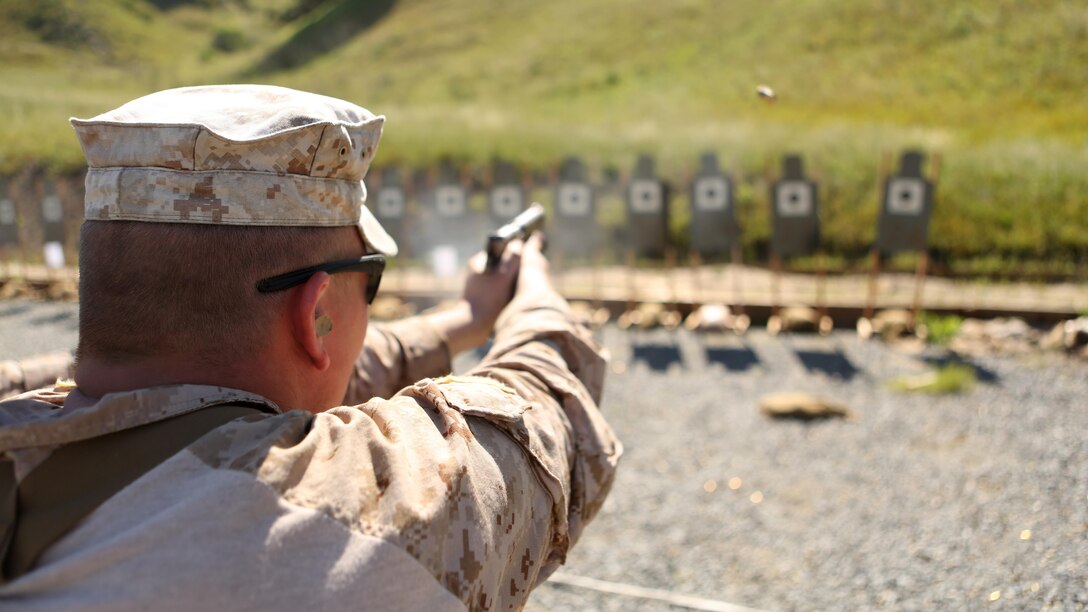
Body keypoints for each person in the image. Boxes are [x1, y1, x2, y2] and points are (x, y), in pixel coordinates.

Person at [0, 85, 620, 610]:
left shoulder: (23, 413)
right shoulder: (338, 511)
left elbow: (264, 381)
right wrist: (535, 293)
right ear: (316, 312)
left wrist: (468, 316)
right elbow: (539, 412)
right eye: (368, 281)